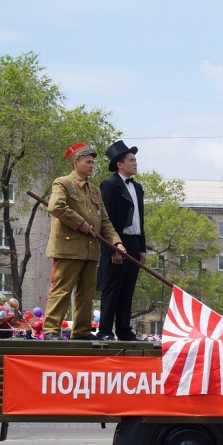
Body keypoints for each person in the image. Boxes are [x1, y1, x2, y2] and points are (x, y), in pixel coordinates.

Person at [43, 143, 126, 340]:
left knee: (86, 293)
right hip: (68, 247)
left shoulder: (95, 191)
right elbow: (56, 206)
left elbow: (104, 221)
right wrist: (80, 223)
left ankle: (81, 331)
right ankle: (51, 330)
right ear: (76, 163)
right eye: (88, 162)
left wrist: (116, 243)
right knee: (61, 290)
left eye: (92, 162)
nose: (92, 165)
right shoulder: (62, 183)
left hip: (90, 250)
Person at [96, 140, 146, 341]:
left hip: (134, 242)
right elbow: (106, 220)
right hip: (117, 241)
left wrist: (142, 247)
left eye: (135, 160)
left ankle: (124, 330)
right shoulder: (109, 185)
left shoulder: (138, 188)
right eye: (131, 160)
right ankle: (105, 330)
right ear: (120, 164)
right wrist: (113, 248)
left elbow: (140, 219)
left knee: (128, 287)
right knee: (113, 286)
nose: (135, 163)